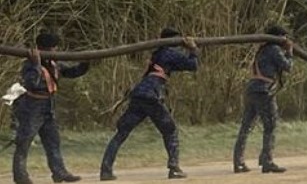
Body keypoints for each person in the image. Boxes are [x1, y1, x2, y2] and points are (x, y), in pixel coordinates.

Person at [100, 27, 199, 180]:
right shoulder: (170, 53)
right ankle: (174, 167)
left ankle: (105, 170)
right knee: (170, 130)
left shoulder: (157, 54)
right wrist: (193, 49)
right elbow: (193, 65)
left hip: (139, 95)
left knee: (121, 133)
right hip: (152, 95)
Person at [11, 31, 89, 184]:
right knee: (24, 142)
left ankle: (59, 172)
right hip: (32, 107)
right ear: (44, 48)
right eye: (53, 48)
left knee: (53, 141)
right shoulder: (29, 64)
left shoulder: (55, 63)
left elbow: (72, 72)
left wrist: (86, 64)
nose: (55, 50)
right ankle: (20, 177)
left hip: (49, 106)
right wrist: (35, 65)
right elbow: (31, 83)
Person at [232, 25, 294, 174]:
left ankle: (238, 162)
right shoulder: (274, 50)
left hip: (253, 89)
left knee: (246, 126)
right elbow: (288, 66)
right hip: (264, 91)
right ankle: (267, 161)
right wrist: (290, 52)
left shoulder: (263, 49)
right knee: (270, 125)